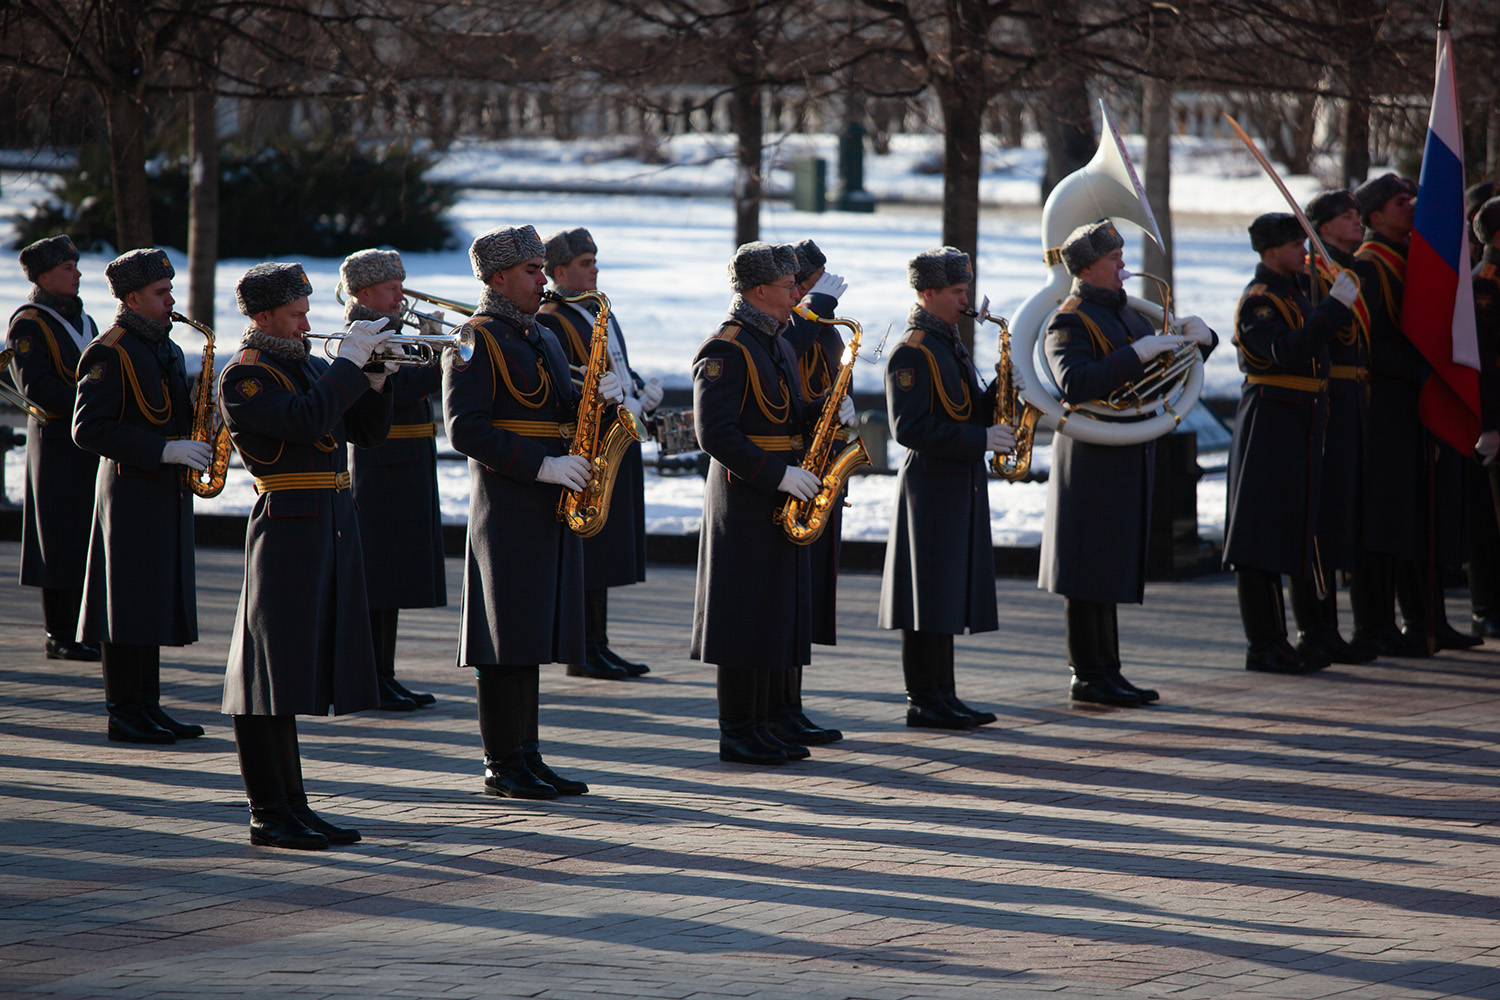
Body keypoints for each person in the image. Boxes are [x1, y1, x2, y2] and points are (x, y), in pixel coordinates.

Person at [218, 262, 395, 850]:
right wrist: (347, 367)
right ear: (264, 316)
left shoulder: (308, 365)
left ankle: (295, 805)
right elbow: (306, 420)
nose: (306, 323)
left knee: (293, 672)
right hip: (286, 526)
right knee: (271, 672)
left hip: (329, 525)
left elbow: (363, 434)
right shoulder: (246, 377)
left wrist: (376, 379)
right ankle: (269, 810)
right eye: (296, 314)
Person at [444, 224, 623, 798]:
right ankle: (502, 763)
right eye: (530, 270)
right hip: (509, 497)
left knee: (532, 632)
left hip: (549, 496)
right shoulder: (476, 337)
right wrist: (540, 465)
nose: (542, 278)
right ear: (498, 278)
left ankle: (528, 753)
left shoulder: (539, 333)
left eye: (542, 268)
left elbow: (563, 407)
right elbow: (465, 428)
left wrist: (600, 402)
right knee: (504, 636)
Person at [1039, 219, 1216, 706]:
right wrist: (1137, 353)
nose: (1123, 266)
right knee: (1087, 568)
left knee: (1110, 564)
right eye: (1113, 260)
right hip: (1092, 451)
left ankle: (1108, 669)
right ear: (1088, 268)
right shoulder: (1069, 319)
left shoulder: (1128, 313)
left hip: (1125, 448)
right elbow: (1075, 382)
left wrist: (1204, 339)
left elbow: (1171, 365)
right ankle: (1087, 672)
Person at [691, 241, 855, 765]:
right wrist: (779, 474)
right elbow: (714, 433)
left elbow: (787, 410)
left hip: (776, 488)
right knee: (744, 612)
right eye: (789, 287)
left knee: (771, 609)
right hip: (745, 493)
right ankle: (738, 731)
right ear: (759, 290)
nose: (797, 295)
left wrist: (829, 410)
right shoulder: (727, 347)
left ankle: (763, 723)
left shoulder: (775, 340)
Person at [72, 249, 206, 744]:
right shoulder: (111, 349)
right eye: (161, 293)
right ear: (131, 298)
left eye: (170, 290)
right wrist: (163, 449)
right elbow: (87, 430)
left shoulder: (162, 345)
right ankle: (123, 712)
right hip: (129, 489)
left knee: (148, 601)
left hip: (161, 488)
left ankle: (147, 705)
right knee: (125, 602)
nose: (172, 300)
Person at [877, 246, 1011, 729]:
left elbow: (965, 407)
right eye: (956, 291)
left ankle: (944, 693)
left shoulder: (948, 342)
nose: (966, 299)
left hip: (958, 482)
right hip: (930, 486)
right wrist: (980, 438)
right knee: (927, 595)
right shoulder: (912, 351)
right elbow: (908, 428)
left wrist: (1004, 386)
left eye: (966, 290)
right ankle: (924, 698)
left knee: (946, 591)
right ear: (928, 294)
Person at [1224, 213, 1360, 674]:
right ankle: (1264, 643)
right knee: (1260, 538)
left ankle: (1307, 634)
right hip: (1270, 421)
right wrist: (1332, 309)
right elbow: (1287, 350)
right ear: (1269, 252)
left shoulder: (1296, 292)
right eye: (1293, 243)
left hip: (1301, 421)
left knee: (1299, 529)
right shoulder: (1259, 302)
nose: (1304, 249)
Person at [1351, 173, 1474, 655]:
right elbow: (1369, 345)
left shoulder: (1411, 260)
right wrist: (1425, 365)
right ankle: (1377, 624)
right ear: (1375, 217)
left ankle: (1428, 618)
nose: (1411, 206)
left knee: (1421, 514)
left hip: (1412, 404)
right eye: (1400, 202)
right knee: (1388, 517)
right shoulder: (1370, 266)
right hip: (1385, 407)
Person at [535, 228, 660, 681]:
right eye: (585, 263)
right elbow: (565, 382)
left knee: (605, 550)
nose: (595, 269)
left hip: (617, 436)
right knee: (590, 547)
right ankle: (583, 649)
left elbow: (618, 364)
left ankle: (599, 644)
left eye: (595, 261)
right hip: (590, 446)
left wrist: (639, 392)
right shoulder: (552, 317)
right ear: (560, 271)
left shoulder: (598, 308)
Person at [341, 249, 443, 711]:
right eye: (391, 289)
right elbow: (404, 390)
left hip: (408, 461)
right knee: (378, 579)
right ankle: (373, 678)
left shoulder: (392, 331)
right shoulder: (364, 335)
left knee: (395, 578)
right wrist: (439, 351)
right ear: (364, 294)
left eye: (401, 287)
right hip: (379, 465)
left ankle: (387, 674)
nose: (401, 297)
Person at [1288, 191, 1376, 665]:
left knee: (1344, 516)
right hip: (1328, 400)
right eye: (1346, 216)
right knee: (1320, 520)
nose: (1356, 222)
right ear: (1320, 228)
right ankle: (1315, 626)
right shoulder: (1315, 276)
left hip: (1352, 401)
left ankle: (1333, 627)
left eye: (1358, 215)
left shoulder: (1346, 270)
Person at [6, 235, 100, 661]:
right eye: (67, 268)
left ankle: (85, 627)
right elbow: (36, 388)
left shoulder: (87, 321)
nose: (77, 274)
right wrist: (94, 407)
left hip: (90, 441)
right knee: (58, 536)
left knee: (86, 536)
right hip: (57, 442)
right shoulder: (29, 323)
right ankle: (59, 632)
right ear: (44, 276)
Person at [776, 238, 849, 745]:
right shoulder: (778, 325)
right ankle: (775, 707)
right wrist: (815, 308)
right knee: (784, 599)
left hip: (819, 465)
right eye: (805, 284)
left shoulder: (816, 325)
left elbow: (822, 369)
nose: (814, 291)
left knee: (805, 598)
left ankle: (791, 703)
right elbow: (785, 350)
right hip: (787, 470)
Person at [1470, 197, 1500, 636]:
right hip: (1496, 419)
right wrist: (1489, 424)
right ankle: (1487, 607)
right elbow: (1484, 361)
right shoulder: (1484, 285)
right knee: (1491, 518)